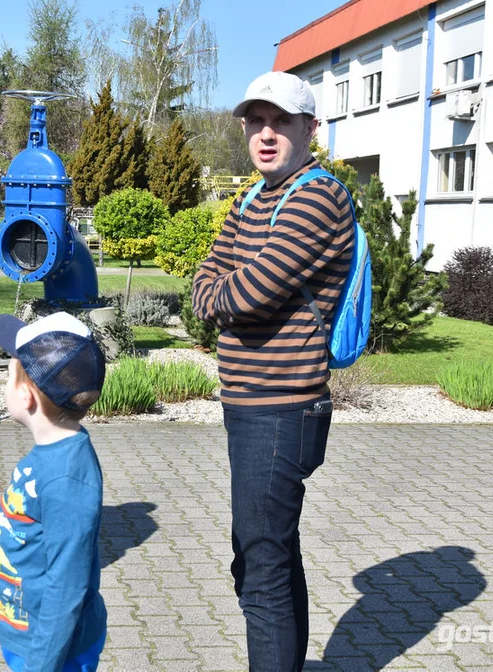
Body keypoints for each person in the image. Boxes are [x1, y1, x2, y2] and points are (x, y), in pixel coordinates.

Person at [191, 71, 355, 671]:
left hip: (283, 406)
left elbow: (249, 292)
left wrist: (223, 296)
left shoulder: (319, 195)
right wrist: (220, 293)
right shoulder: (250, 199)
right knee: (271, 552)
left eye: (282, 121)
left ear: (310, 129)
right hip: (247, 400)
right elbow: (206, 281)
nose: (266, 134)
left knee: (260, 564)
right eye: (256, 121)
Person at [0, 311, 108, 672]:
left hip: (53, 652)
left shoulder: (66, 478)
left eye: (9, 377)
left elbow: (67, 586)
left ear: (26, 396)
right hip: (28, 634)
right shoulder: (49, 456)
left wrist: (42, 663)